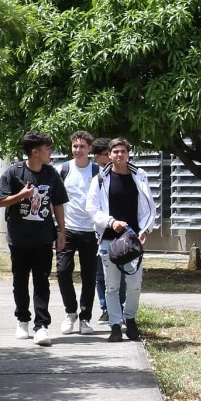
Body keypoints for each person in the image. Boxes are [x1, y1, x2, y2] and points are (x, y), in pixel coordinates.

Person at [0, 130, 67, 344]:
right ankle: (22, 320)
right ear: (35, 152)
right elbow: (0, 201)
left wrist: (62, 231)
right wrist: (22, 195)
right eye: (47, 148)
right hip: (19, 238)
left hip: (43, 238)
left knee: (41, 281)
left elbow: (58, 203)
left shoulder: (51, 173)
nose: (51, 151)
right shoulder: (13, 172)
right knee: (20, 281)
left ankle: (41, 326)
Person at [86, 137, 159, 342]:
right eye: (115, 151)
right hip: (109, 240)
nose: (119, 155)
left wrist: (145, 230)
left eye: (123, 151)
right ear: (109, 155)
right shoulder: (100, 179)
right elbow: (92, 208)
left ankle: (131, 319)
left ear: (128, 154)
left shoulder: (139, 176)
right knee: (112, 286)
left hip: (133, 240)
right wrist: (111, 222)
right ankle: (115, 325)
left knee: (135, 284)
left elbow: (150, 207)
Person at [56, 130, 101, 335]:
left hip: (91, 231)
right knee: (63, 270)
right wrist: (58, 228)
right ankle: (70, 312)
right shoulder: (63, 169)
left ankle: (85, 318)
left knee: (89, 276)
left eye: (82, 146)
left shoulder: (98, 172)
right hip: (67, 229)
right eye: (75, 146)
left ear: (89, 148)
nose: (78, 150)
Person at [90, 136, 115, 322]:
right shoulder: (97, 176)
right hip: (98, 230)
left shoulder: (123, 173)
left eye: (100, 155)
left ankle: (119, 307)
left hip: (117, 231)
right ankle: (105, 307)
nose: (98, 159)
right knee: (100, 273)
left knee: (120, 272)